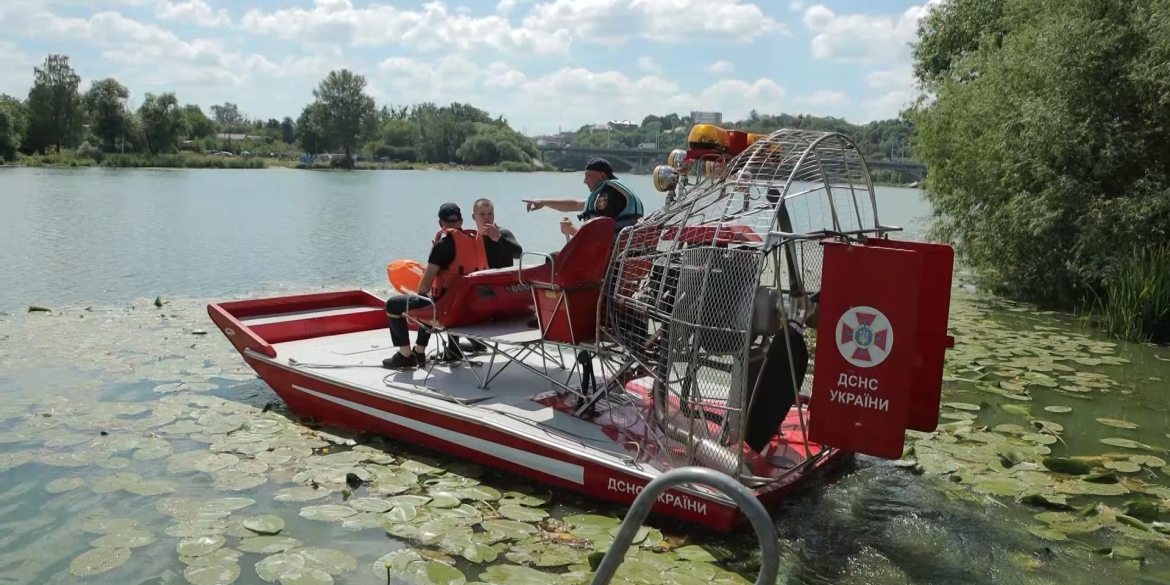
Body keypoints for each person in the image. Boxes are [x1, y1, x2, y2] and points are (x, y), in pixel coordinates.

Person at [383, 203, 488, 370]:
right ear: (461, 222)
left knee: (395, 304)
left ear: (440, 224)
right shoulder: (477, 241)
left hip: (446, 310)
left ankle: (405, 355)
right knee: (431, 300)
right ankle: (419, 351)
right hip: (473, 308)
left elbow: (424, 286)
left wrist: (418, 298)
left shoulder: (443, 245)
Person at [522, 157, 645, 239]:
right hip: (620, 254)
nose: (584, 181)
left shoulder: (607, 197)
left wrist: (571, 229)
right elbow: (575, 204)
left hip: (610, 258)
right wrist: (544, 202)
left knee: (552, 259)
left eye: (587, 176)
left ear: (602, 176)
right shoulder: (612, 192)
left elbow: (598, 238)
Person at [471, 198, 523, 268]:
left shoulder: (503, 233)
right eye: (482, 214)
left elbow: (518, 254)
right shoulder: (472, 239)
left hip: (504, 278)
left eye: (490, 214)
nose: (487, 217)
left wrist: (499, 239)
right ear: (474, 216)